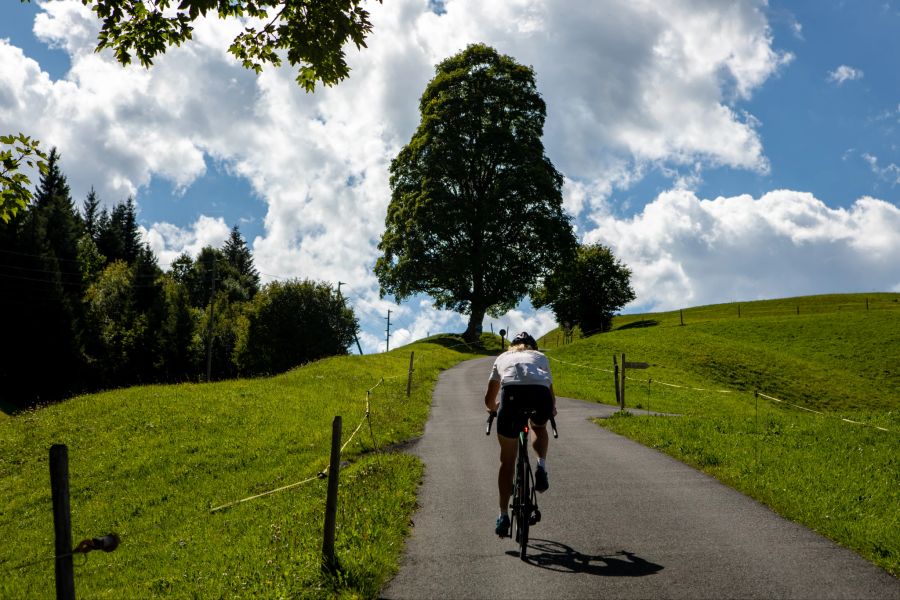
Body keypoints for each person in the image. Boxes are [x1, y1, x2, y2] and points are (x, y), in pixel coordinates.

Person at [484, 331, 557, 537]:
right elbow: (549, 392)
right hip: (539, 397)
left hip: (512, 399)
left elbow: (490, 397)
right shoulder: (540, 357)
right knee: (539, 427)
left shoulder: (502, 358)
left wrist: (493, 408)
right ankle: (541, 465)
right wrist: (551, 409)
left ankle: (503, 515)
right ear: (532, 347)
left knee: (507, 462)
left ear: (511, 347)